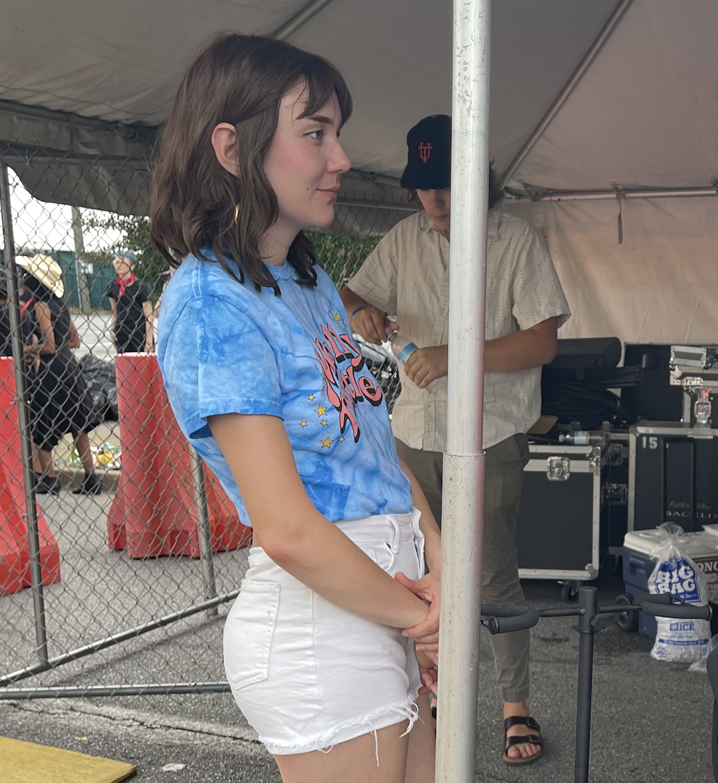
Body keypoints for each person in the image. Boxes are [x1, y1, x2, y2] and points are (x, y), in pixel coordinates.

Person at [149, 34, 440, 783]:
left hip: (385, 609)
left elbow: (373, 450)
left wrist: (439, 566)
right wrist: (424, 617)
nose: (340, 158)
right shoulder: (211, 302)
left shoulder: (305, 282)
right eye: (315, 133)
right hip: (325, 632)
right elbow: (283, 527)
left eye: (335, 133)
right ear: (231, 145)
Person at [340, 114, 570, 765]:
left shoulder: (516, 239)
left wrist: (452, 355)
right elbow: (353, 294)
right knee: (421, 572)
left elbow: (543, 341)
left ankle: (513, 706)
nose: (434, 200)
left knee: (491, 571)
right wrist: (360, 309)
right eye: (423, 186)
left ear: (478, 180)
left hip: (490, 432)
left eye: (446, 184)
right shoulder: (405, 238)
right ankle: (436, 694)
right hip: (416, 433)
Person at [15, 254, 103, 496]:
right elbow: (73, 340)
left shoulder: (41, 306)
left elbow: (50, 346)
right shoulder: (61, 305)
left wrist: (26, 349)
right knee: (78, 424)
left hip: (50, 372)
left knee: (42, 422)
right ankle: (91, 477)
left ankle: (49, 478)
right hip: (70, 368)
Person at [105, 251, 155, 354]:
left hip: (140, 334)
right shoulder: (112, 286)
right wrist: (111, 330)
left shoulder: (140, 287)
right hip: (122, 333)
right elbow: (115, 312)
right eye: (116, 262)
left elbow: (149, 315)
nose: (118, 265)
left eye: (122, 262)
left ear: (131, 267)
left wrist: (149, 341)